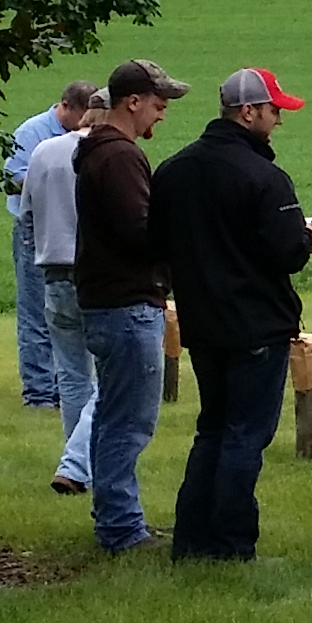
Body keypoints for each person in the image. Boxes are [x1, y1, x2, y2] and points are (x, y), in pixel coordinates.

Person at [151, 67, 312, 563]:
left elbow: (157, 243)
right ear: (248, 112)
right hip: (256, 325)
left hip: (202, 324)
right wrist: (308, 238)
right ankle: (230, 545)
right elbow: (286, 253)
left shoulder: (174, 170)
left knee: (212, 428)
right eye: (273, 112)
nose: (277, 122)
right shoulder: (264, 177)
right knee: (246, 435)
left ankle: (190, 541)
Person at [70, 59, 190, 554]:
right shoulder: (121, 156)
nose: (160, 117)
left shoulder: (96, 150)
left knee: (110, 418)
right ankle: (121, 530)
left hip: (104, 302)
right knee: (129, 422)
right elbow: (140, 232)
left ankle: (115, 518)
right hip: (127, 305)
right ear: (132, 102)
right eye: (158, 106)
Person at [19, 90, 106, 496]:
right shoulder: (108, 156)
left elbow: (27, 216)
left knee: (72, 378)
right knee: (114, 378)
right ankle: (76, 463)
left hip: (53, 273)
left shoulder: (44, 151)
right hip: (96, 276)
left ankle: (78, 465)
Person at [4, 83, 95, 408]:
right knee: (35, 314)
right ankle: (39, 393)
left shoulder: (84, 138)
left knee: (67, 312)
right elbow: (11, 177)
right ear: (65, 106)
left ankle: (65, 386)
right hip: (34, 227)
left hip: (69, 228)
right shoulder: (33, 132)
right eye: (82, 116)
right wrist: (54, 180)